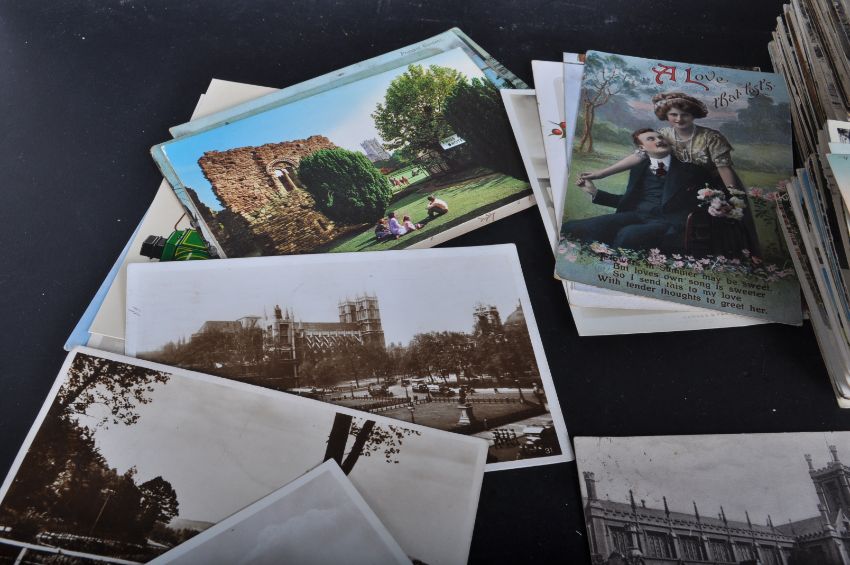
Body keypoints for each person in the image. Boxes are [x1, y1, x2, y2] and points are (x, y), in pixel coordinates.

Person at [578, 91, 759, 256]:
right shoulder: (664, 134)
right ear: (666, 115)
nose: (679, 119)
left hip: (711, 186)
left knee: (728, 228)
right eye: (673, 115)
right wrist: (601, 174)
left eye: (685, 114)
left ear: (693, 115)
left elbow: (724, 168)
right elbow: (639, 155)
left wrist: (731, 198)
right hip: (676, 186)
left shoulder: (711, 137)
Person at [561, 128, 715, 252]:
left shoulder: (692, 170)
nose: (659, 140)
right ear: (642, 148)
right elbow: (629, 201)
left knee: (627, 235)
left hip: (666, 222)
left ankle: (611, 264)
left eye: (660, 137)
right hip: (635, 215)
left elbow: (710, 199)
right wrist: (594, 192)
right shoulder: (638, 168)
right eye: (651, 139)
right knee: (573, 227)